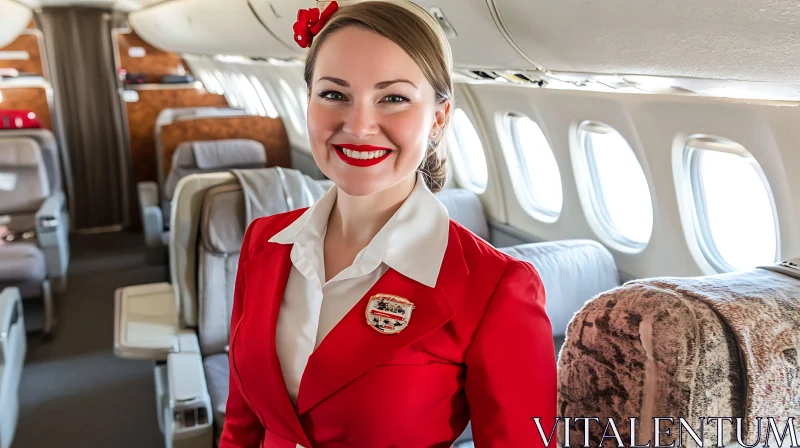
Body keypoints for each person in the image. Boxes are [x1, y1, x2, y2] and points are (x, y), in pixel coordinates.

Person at [219, 1, 557, 447]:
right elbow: (242, 425)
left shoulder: (495, 287)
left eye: (393, 98)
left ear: (438, 118)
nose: (359, 126)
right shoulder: (263, 242)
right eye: (334, 94)